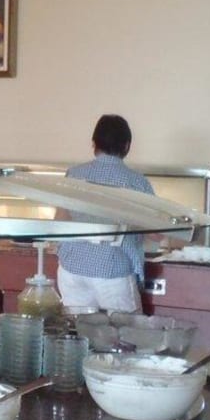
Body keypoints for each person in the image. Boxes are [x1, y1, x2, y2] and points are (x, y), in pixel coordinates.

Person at [56, 114, 154, 314]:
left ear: (94, 143)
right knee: (124, 330)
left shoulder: (73, 174)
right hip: (113, 269)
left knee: (79, 329)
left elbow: (60, 221)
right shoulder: (136, 182)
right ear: (126, 145)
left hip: (72, 268)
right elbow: (155, 231)